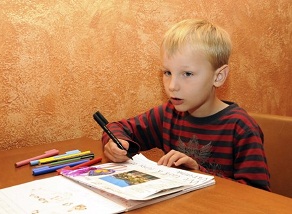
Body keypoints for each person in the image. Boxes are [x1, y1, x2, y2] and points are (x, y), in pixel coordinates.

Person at [101, 18, 270, 191]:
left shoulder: (241, 128)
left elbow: (259, 195)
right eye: (167, 72)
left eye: (187, 74)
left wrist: (198, 173)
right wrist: (116, 143)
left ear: (218, 76)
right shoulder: (168, 114)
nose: (172, 86)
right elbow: (117, 127)